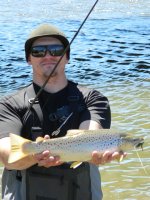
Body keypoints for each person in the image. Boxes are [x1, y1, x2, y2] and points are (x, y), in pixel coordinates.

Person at [0, 24, 125, 200]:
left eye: (56, 50)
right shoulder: (9, 105)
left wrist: (97, 151)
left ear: (66, 57)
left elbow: (90, 133)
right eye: (38, 51)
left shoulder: (93, 99)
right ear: (28, 58)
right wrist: (37, 155)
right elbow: (8, 155)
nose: (48, 56)